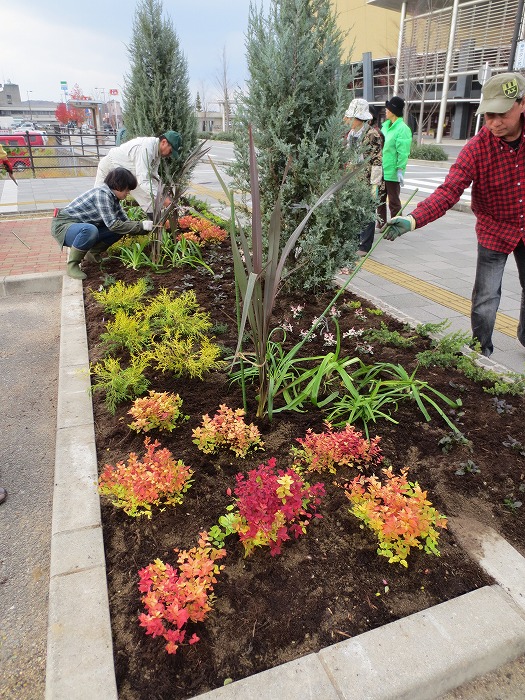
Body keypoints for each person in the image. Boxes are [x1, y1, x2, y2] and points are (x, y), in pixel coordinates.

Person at [384, 72, 525, 358]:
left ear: (521, 104)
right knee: (486, 296)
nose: (495, 122)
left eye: (502, 114)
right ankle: (480, 352)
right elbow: (448, 191)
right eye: (488, 116)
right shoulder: (476, 149)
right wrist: (412, 219)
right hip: (494, 228)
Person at [51, 167, 154, 280]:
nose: (128, 192)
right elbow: (113, 224)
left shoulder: (113, 198)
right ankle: (72, 265)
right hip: (64, 226)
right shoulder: (102, 194)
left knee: (121, 228)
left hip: (80, 227)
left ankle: (92, 254)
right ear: (119, 186)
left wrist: (148, 227)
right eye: (127, 189)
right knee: (90, 230)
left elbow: (125, 223)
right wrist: (141, 225)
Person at [94, 131, 182, 214]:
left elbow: (153, 176)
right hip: (109, 167)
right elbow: (143, 181)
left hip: (127, 171)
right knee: (99, 199)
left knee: (149, 198)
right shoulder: (146, 149)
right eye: (170, 151)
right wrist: (162, 199)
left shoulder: (157, 153)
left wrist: (162, 192)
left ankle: (157, 224)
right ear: (164, 142)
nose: (170, 155)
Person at [344, 98, 384, 256]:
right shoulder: (352, 133)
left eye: (350, 118)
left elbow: (377, 160)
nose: (347, 120)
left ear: (359, 118)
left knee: (367, 211)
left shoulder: (372, 134)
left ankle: (364, 246)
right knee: (354, 209)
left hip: (368, 179)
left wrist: (375, 185)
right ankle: (355, 240)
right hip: (354, 177)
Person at [377, 95, 412, 227]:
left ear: (393, 111)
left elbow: (403, 152)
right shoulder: (385, 126)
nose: (385, 111)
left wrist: (400, 169)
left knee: (393, 201)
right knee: (379, 199)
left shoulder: (403, 129)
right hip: (380, 168)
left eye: (387, 109)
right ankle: (380, 224)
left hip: (392, 170)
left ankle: (396, 225)